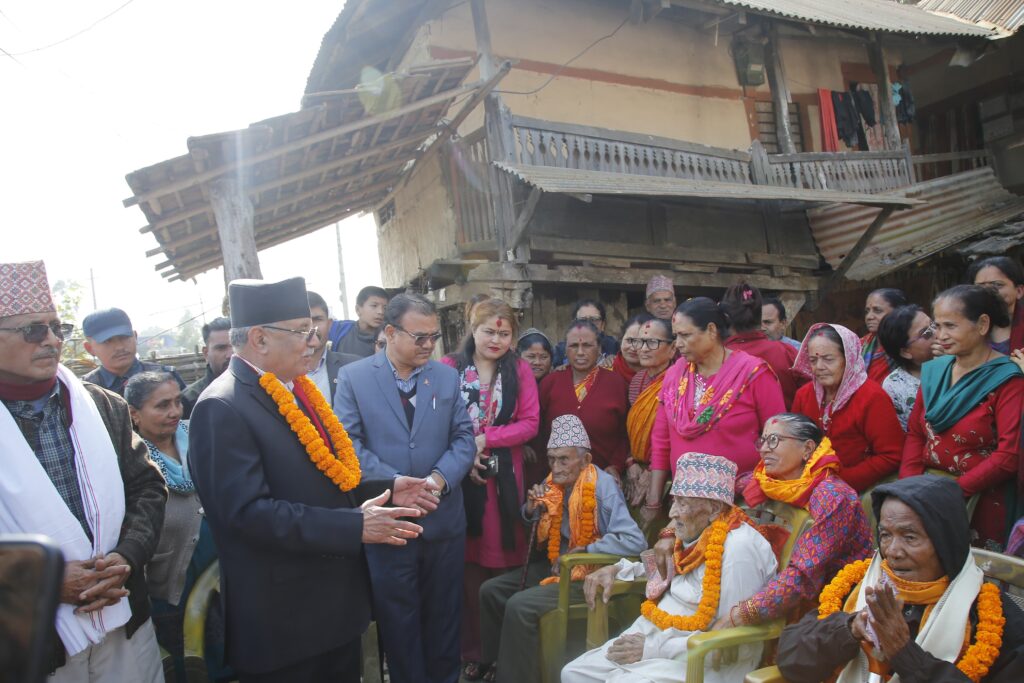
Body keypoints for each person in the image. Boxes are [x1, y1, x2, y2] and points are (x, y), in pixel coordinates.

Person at [189, 277, 436, 682]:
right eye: (302, 331)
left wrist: (387, 488)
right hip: (285, 622)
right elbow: (248, 515)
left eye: (314, 329)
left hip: (332, 611)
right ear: (259, 338)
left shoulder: (295, 389)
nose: (315, 340)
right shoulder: (223, 406)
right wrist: (354, 525)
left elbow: (321, 477)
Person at [0, 261, 167, 682]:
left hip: (124, 615)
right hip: (31, 638)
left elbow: (147, 487)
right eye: (33, 330)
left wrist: (125, 558)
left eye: (58, 327)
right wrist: (44, 581)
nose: (53, 341)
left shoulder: (102, 405)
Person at [333, 292, 476, 683]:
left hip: (442, 519)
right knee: (399, 624)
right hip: (389, 525)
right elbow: (348, 443)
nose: (429, 345)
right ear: (391, 332)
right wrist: (395, 484)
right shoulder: (355, 378)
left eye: (434, 337)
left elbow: (464, 437)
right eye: (420, 337)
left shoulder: (446, 376)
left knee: (445, 620)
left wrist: (437, 480)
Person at [777, 475, 1024, 683]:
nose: (892, 551)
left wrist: (905, 654)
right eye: (885, 535)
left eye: (910, 537)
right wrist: (849, 628)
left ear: (946, 542)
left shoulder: (992, 619)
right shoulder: (856, 588)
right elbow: (789, 659)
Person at [561, 452, 778, 683]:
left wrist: (654, 649)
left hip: (701, 660)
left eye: (682, 503)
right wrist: (617, 570)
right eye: (675, 500)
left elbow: (729, 643)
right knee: (574, 674)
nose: (672, 514)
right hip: (653, 636)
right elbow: (665, 567)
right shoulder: (694, 530)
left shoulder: (739, 550)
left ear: (714, 508)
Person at [479, 415, 646, 683]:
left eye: (564, 459)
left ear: (586, 460)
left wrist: (587, 550)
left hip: (589, 572)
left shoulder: (602, 486)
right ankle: (493, 663)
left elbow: (635, 540)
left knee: (519, 605)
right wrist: (532, 508)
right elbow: (533, 521)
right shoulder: (553, 483)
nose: (556, 467)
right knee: (491, 591)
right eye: (552, 459)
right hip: (558, 565)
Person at [440, 299, 540, 681]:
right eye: (489, 331)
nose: (496, 339)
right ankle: (473, 651)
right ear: (472, 329)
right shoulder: (449, 367)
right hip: (459, 475)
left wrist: (487, 438)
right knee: (468, 569)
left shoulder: (519, 369)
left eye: (504, 333)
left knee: (504, 561)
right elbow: (440, 420)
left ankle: (505, 652)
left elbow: (530, 422)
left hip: (505, 482)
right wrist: (467, 449)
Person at [714, 413, 872, 627]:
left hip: (829, 606)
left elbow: (803, 575)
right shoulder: (766, 480)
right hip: (776, 589)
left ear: (807, 449)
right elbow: (709, 496)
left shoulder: (832, 496)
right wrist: (668, 533)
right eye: (763, 440)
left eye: (774, 441)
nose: (764, 449)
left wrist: (740, 615)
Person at [900, 285, 1024, 548]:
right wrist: (909, 486)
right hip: (926, 494)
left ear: (981, 325)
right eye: (937, 326)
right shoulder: (934, 372)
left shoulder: (1007, 379)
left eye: (950, 326)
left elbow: (1008, 456)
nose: (940, 336)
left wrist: (953, 492)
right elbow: (916, 433)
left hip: (981, 501)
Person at [642, 298, 786, 526]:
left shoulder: (753, 373)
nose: (678, 343)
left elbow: (779, 440)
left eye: (685, 335)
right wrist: (653, 502)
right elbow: (661, 441)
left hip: (742, 505)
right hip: (686, 508)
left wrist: (760, 490)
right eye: (676, 336)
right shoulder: (674, 374)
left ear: (711, 330)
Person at [125, 371, 221, 683]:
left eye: (178, 401)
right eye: (162, 405)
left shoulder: (199, 434)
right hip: (170, 588)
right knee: (187, 667)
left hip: (224, 579)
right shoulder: (128, 458)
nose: (174, 412)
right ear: (134, 414)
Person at [792, 323, 905, 493]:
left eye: (828, 359)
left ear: (849, 359)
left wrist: (840, 482)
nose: (819, 367)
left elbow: (891, 455)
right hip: (809, 485)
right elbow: (793, 442)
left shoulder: (872, 398)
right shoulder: (804, 395)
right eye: (813, 360)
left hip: (856, 489)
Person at [539, 321, 630, 479]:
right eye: (574, 346)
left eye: (587, 345)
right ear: (565, 350)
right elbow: (538, 433)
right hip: (556, 479)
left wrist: (616, 465)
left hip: (603, 478)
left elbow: (625, 435)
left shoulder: (616, 383)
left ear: (599, 349)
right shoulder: (551, 383)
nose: (580, 352)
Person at [81, 306, 187, 405]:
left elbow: (186, 420)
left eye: (124, 337)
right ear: (89, 348)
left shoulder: (166, 376)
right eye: (108, 341)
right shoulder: (84, 391)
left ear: (135, 337)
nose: (119, 347)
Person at [623, 317, 675, 509]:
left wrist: (653, 470)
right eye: (640, 342)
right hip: (636, 468)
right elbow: (631, 431)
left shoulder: (678, 381)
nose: (643, 349)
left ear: (672, 348)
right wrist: (630, 463)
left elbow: (673, 435)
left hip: (666, 473)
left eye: (652, 342)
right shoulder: (637, 380)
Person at [722, 283, 801, 408]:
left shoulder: (718, 356)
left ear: (725, 317)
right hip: (782, 424)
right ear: (759, 316)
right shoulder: (786, 352)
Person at [878, 305, 936, 431]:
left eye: (935, 325)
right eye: (926, 333)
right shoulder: (894, 385)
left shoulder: (958, 360)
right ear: (905, 351)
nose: (937, 334)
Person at [305, 291, 360, 405]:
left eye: (317, 319)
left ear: (329, 324)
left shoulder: (354, 366)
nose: (312, 328)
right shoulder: (276, 372)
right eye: (305, 322)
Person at [968, 256, 1024, 354]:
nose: (987, 291)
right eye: (979, 286)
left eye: (997, 285)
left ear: (1019, 291)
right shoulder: (966, 324)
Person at [182, 316, 233, 412]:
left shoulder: (261, 388)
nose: (230, 355)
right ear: (206, 353)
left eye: (235, 345)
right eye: (221, 348)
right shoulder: (190, 400)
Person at [860, 288, 909, 384]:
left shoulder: (911, 340)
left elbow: (931, 327)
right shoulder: (860, 344)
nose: (869, 317)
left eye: (877, 311)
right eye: (867, 311)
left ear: (898, 312)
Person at [552, 300, 620, 367]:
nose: (588, 324)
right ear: (573, 324)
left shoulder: (612, 346)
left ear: (603, 325)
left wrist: (615, 360)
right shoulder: (561, 349)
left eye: (594, 319)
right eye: (582, 320)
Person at [326, 285, 388, 357]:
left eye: (385, 308)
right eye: (374, 306)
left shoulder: (388, 337)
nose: (381, 312)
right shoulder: (339, 329)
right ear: (358, 309)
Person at [605, 313, 654, 384]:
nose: (633, 348)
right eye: (629, 340)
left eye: (640, 342)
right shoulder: (606, 371)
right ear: (621, 339)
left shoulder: (661, 376)